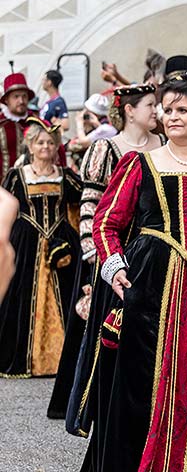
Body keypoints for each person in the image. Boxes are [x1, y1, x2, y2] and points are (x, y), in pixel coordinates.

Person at [75, 73, 187, 471]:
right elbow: (106, 221)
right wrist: (114, 265)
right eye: (167, 110)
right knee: (143, 380)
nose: (173, 117)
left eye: (182, 110)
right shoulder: (139, 165)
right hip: (151, 287)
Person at [61, 84, 163, 429]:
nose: (156, 111)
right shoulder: (106, 148)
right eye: (150, 105)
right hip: (115, 253)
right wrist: (96, 255)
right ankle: (105, 411)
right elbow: (91, 206)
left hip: (153, 256)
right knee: (112, 333)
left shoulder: (163, 146)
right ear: (130, 110)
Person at [0, 118, 82, 380]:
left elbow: (84, 202)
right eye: (40, 142)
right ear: (30, 146)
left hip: (61, 243)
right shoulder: (17, 176)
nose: (46, 146)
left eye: (50, 142)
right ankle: (23, 359)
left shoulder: (66, 176)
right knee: (20, 298)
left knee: (67, 298)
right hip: (25, 245)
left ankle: (64, 362)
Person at [0, 73, 37, 179]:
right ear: (7, 100)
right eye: (16, 97)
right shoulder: (1, 124)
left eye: (24, 96)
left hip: (32, 185)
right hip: (3, 188)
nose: (21, 101)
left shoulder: (36, 123)